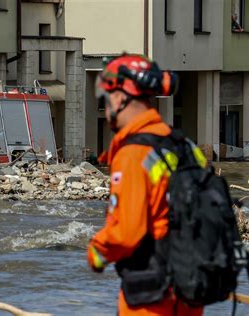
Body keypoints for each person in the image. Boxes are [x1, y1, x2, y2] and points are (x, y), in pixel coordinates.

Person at [86, 54, 204, 315]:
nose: (106, 110)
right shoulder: (185, 147)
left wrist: (97, 251)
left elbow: (127, 233)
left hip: (150, 297)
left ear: (119, 97)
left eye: (105, 100)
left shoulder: (134, 153)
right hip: (189, 293)